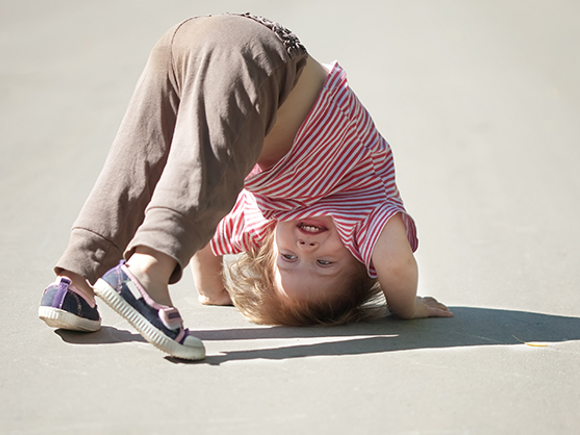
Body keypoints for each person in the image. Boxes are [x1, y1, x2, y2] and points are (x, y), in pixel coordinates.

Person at [38, 13, 452, 361]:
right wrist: (406, 308)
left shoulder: (264, 220)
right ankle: (146, 270)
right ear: (364, 259)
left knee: (138, 161)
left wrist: (213, 290)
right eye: (325, 264)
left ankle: (74, 280)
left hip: (184, 44)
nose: (306, 250)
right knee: (206, 167)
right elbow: (396, 264)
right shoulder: (363, 208)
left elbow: (206, 236)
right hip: (264, 58)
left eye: (288, 258)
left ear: (268, 247)